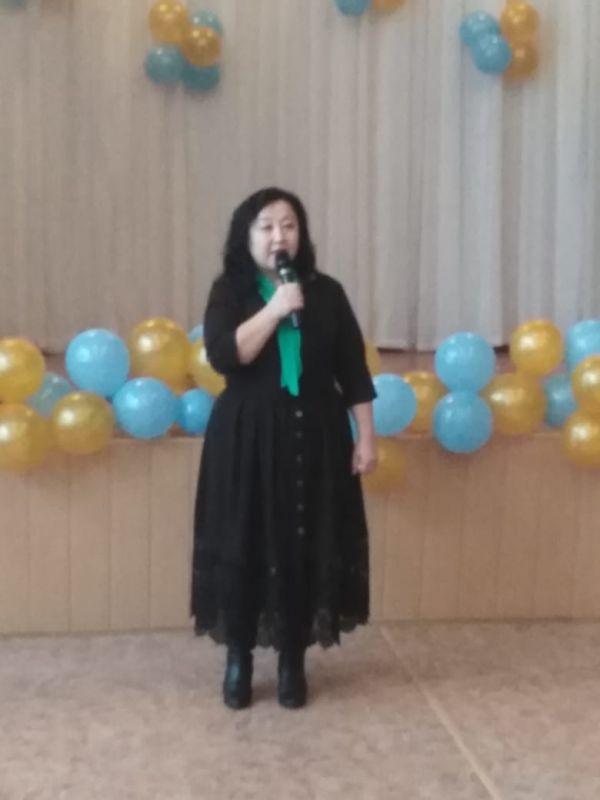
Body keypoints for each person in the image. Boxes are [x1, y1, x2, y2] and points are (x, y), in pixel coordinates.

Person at [191, 187, 377, 710]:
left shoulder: (327, 293)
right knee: (244, 542)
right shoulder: (229, 291)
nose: (280, 236)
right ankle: (240, 659)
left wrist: (366, 435)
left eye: (289, 225)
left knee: (305, 542)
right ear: (246, 236)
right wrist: (274, 309)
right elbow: (225, 356)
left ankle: (293, 659)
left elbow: (353, 370)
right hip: (246, 437)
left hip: (315, 434)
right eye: (267, 226)